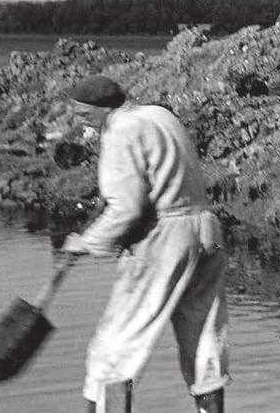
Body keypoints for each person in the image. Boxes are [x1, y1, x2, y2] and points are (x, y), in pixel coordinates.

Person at [60, 75, 229, 413]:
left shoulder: (120, 130)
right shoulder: (159, 115)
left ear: (103, 109)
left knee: (113, 347)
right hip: (206, 231)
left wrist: (86, 242)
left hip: (165, 239)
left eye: (84, 115)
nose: (81, 124)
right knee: (203, 340)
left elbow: (127, 208)